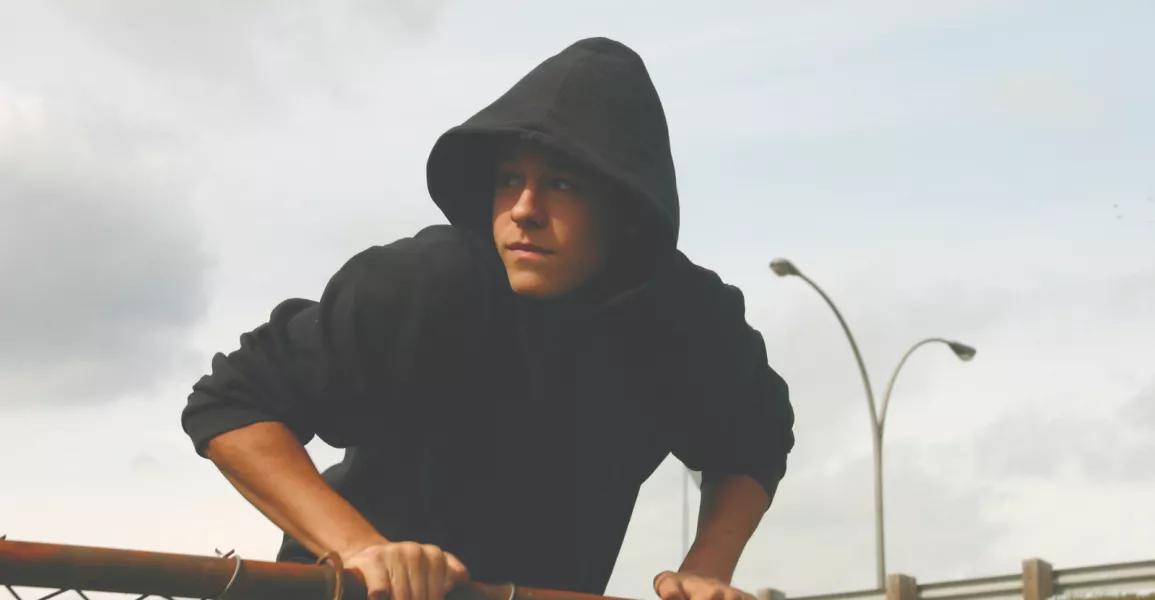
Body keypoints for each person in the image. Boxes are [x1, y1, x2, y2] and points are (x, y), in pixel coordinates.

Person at [181, 37, 796, 600]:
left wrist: (708, 570)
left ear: (626, 210)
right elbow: (232, 402)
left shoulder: (685, 319)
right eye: (510, 180)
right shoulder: (424, 282)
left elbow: (754, 438)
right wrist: (361, 549)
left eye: (561, 184)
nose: (525, 209)